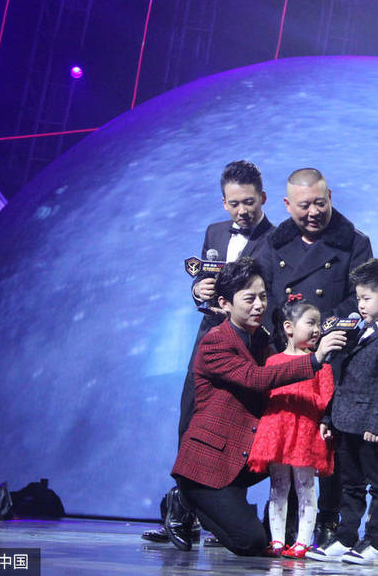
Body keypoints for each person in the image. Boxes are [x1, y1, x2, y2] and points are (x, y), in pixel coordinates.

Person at [167, 257, 347, 555]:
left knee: (292, 456)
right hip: (209, 464)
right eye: (249, 299)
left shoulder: (261, 339)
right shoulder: (215, 342)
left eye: (263, 297)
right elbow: (255, 378)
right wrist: (314, 360)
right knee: (250, 543)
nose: (259, 306)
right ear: (225, 303)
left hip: (242, 457)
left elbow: (284, 374)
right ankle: (185, 499)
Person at [144, 160, 275, 545]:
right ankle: (183, 510)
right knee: (192, 418)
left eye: (249, 202)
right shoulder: (215, 232)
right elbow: (205, 277)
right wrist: (198, 290)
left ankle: (225, 514)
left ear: (263, 198)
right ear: (223, 203)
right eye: (234, 204)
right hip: (211, 338)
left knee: (240, 424)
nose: (242, 211)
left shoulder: (277, 238)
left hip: (249, 344)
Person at [257, 167, 373, 545]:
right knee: (288, 437)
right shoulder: (273, 243)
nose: (313, 213)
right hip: (287, 354)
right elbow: (263, 292)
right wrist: (285, 337)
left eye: (319, 203)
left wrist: (319, 332)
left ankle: (327, 519)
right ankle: (285, 520)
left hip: (333, 355)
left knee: (329, 439)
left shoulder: (354, 242)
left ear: (330, 197)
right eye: (304, 205)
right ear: (287, 204)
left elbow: (359, 298)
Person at [306, 258, 378, 566]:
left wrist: (375, 423)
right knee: (350, 485)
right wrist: (329, 416)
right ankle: (345, 537)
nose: (360, 305)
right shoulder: (360, 333)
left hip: (370, 425)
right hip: (346, 420)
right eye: (359, 298)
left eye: (366, 298)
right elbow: (343, 381)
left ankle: (375, 544)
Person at [247, 295, 335, 559]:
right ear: (289, 327)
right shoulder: (273, 362)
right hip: (278, 431)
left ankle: (303, 541)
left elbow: (327, 398)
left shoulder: (322, 365)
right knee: (278, 487)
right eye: (311, 323)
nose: (317, 329)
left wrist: (324, 421)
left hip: (305, 432)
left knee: (305, 487)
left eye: (318, 324)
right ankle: (276, 540)